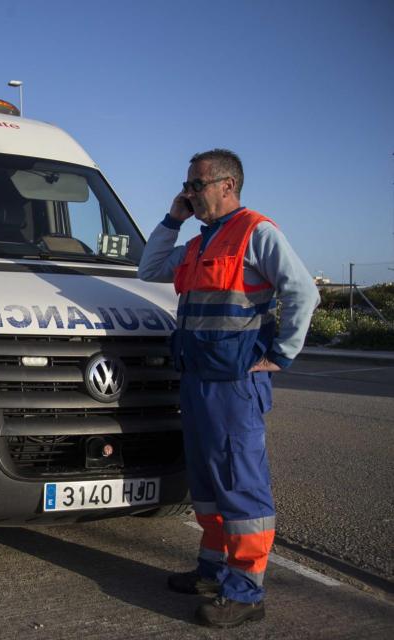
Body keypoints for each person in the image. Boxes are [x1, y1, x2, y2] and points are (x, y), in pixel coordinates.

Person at [138, 149, 319, 628]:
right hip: (197, 380)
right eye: (187, 185)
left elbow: (304, 292)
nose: (189, 193)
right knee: (207, 486)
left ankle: (245, 592)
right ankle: (212, 571)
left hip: (234, 384)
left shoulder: (257, 232)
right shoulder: (199, 243)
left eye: (196, 185)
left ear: (227, 185)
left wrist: (281, 355)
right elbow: (148, 269)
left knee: (240, 485)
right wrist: (172, 219)